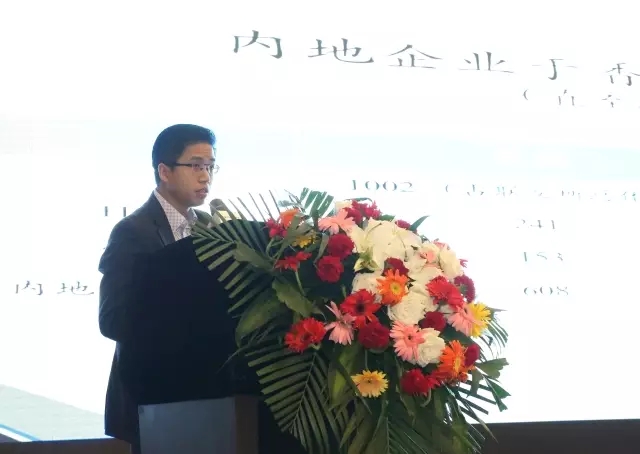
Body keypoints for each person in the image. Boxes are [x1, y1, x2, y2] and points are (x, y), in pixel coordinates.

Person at [98, 124, 217, 453]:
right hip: (151, 400)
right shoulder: (132, 232)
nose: (205, 176)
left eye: (210, 166)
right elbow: (112, 320)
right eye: (195, 165)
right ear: (164, 171)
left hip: (207, 399)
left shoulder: (210, 228)